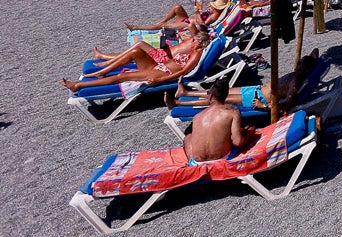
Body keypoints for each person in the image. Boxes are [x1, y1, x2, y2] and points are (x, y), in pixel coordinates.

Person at [166, 48, 321, 113]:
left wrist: (264, 106)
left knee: (219, 98)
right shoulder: (298, 75)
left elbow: (287, 106)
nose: (298, 65)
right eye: (299, 63)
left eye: (301, 65)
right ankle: (186, 92)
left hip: (257, 98)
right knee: (218, 91)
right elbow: (315, 53)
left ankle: (178, 103)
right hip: (255, 89)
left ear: (307, 70)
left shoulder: (295, 86)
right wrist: (315, 59)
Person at [62, 31, 209, 92]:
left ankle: (78, 85)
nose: (192, 40)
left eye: (195, 39)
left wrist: (161, 79)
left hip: (162, 73)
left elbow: (182, 72)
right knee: (136, 52)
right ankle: (103, 71)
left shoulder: (196, 54)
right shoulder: (192, 50)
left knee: (122, 77)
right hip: (160, 66)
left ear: (200, 43)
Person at [183, 80, 250, 165]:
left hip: (197, 163)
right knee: (249, 128)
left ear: (210, 96)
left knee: (188, 137)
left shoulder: (197, 117)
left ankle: (190, 163)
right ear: (225, 96)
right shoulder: (233, 111)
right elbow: (237, 142)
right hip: (223, 158)